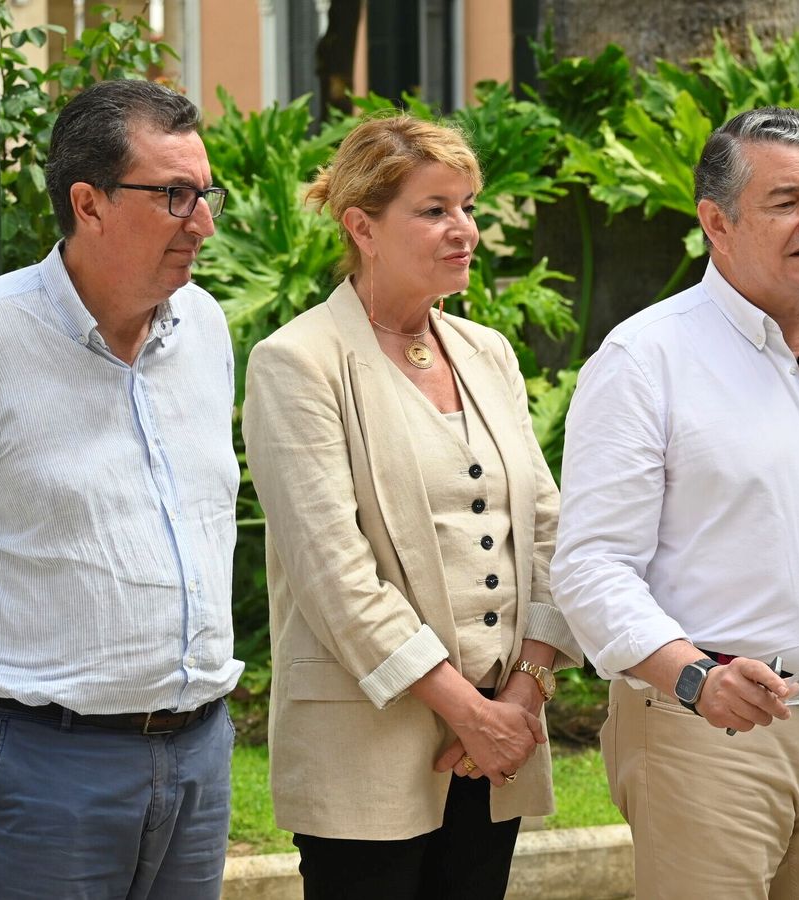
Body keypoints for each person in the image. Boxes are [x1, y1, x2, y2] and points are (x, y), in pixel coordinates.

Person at [550, 107, 799, 899]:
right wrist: (696, 677)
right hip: (705, 726)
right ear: (717, 222)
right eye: (786, 202)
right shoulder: (645, 361)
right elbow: (593, 567)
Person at [0, 79, 239, 897]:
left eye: (206, 195)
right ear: (88, 204)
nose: (201, 222)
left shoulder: (205, 327)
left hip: (200, 760)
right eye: (173, 196)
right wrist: (27, 738)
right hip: (45, 773)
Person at [240, 114, 582, 900]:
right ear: (361, 225)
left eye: (467, 206)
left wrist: (523, 695)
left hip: (499, 739)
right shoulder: (297, 363)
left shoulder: (486, 352)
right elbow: (335, 576)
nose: (463, 230)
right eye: (434, 210)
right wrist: (470, 713)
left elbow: (545, 529)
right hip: (368, 747)